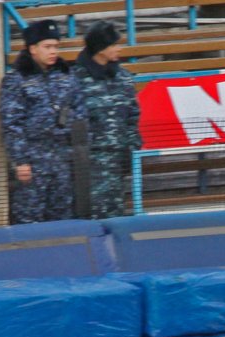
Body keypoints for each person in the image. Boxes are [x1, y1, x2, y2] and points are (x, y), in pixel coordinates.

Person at [0, 19, 86, 224]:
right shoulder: (17, 79)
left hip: (63, 158)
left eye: (56, 46)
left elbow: (80, 111)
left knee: (63, 216)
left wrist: (77, 152)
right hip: (34, 160)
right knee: (29, 217)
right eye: (47, 47)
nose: (53, 51)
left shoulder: (66, 76)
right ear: (33, 49)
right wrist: (21, 161)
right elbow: (11, 122)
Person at [73, 21, 142, 219]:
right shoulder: (75, 80)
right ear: (100, 48)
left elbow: (132, 115)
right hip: (90, 163)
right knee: (91, 216)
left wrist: (132, 147)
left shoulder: (123, 78)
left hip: (118, 159)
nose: (119, 49)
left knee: (117, 215)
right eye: (113, 44)